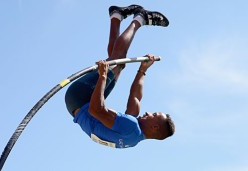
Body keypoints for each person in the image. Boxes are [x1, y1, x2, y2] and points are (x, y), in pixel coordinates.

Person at [65, 4, 175, 148]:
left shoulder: (131, 127)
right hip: (78, 104)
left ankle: (140, 18)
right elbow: (135, 98)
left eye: (153, 115)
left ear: (155, 127)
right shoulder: (133, 137)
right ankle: (116, 16)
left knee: (117, 60)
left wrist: (103, 77)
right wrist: (142, 70)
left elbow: (95, 109)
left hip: (81, 97)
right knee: (117, 62)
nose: (148, 112)